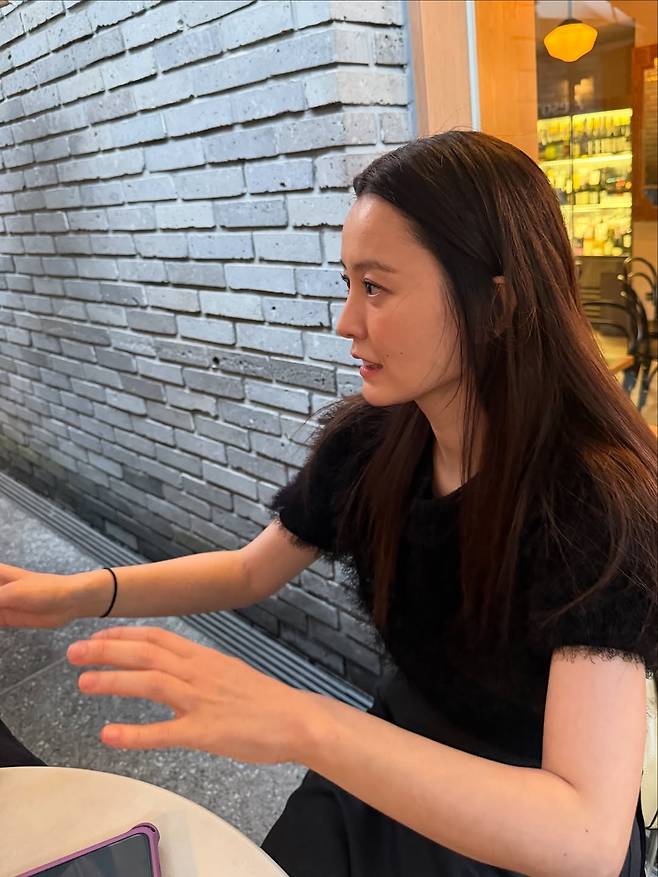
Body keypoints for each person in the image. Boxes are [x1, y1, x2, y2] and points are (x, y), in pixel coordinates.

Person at [0, 130, 655, 877]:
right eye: (348, 284)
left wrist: (303, 721)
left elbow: (586, 837)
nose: (346, 321)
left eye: (375, 288)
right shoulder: (373, 444)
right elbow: (250, 571)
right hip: (387, 761)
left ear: (496, 303)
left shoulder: (595, 504)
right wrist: (75, 595)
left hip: (522, 819)